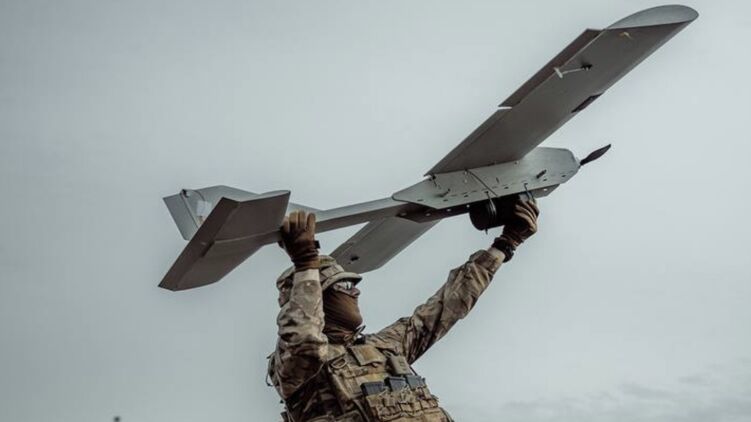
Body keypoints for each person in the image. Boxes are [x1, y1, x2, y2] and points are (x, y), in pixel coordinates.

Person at [268, 198, 540, 422]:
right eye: (344, 286)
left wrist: (507, 243)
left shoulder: (386, 346)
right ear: (318, 298)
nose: (355, 291)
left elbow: (449, 304)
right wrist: (306, 264)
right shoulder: (297, 368)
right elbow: (304, 339)